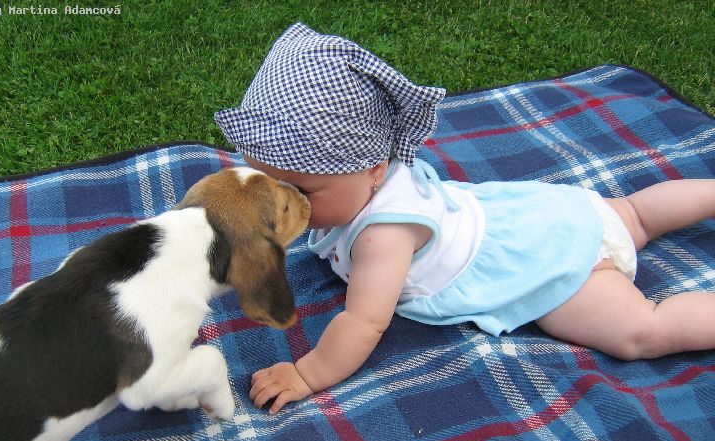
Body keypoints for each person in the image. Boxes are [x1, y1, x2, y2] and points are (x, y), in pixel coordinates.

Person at [215, 22, 715, 415]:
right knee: (634, 213)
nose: (277, 202)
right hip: (544, 213)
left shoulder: (382, 236)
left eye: (301, 190)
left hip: (542, 263)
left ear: (373, 170)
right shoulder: (370, 173)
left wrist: (307, 373)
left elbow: (364, 321)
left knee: (640, 331)